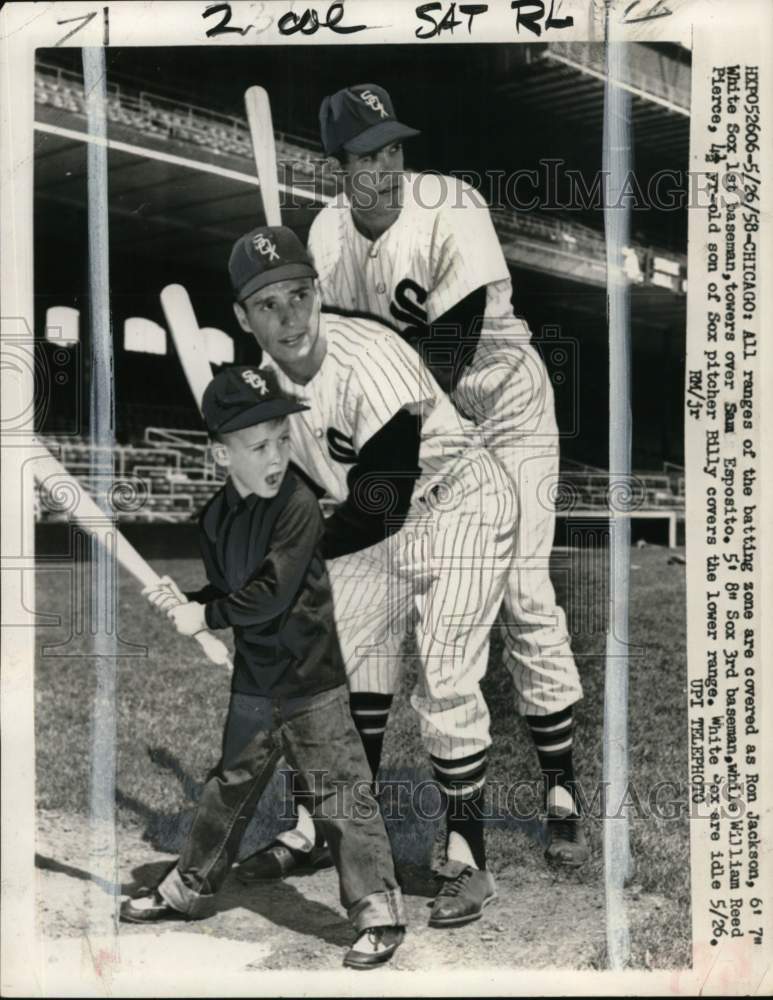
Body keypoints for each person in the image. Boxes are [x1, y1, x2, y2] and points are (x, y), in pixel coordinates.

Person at [305, 83, 587, 866]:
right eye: (367, 156)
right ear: (338, 166)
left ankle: (560, 784)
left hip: (501, 405)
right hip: (425, 426)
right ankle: (357, 817)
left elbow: (453, 343)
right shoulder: (324, 238)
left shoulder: (449, 204)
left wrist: (386, 460)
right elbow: (338, 356)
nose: (387, 168)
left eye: (393, 148)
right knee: (377, 605)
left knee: (524, 591)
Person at [229, 225, 517, 927]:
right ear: (243, 319)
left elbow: (380, 499)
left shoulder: (371, 355)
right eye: (267, 306)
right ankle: (316, 831)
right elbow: (282, 492)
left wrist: (293, 560)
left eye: (299, 295)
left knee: (445, 679)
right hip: (371, 524)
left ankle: (465, 858)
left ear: (319, 293)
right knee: (336, 676)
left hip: (458, 505)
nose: (289, 317)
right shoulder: (262, 390)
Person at [119, 365, 406, 970]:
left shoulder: (297, 505)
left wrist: (210, 614)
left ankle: (378, 910)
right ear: (221, 455)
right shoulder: (214, 521)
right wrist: (193, 602)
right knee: (227, 791)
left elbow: (271, 593)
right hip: (253, 683)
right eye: (258, 445)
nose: (276, 455)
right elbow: (232, 589)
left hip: (310, 682)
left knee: (341, 795)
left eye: (281, 438)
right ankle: (187, 889)